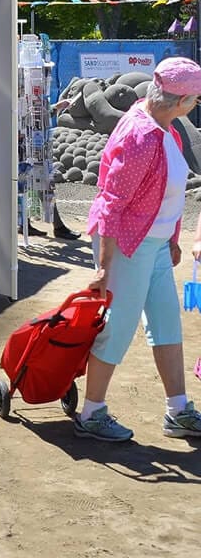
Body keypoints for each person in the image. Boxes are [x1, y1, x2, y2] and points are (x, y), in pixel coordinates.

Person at [78, 56, 201, 442]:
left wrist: (172, 239)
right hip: (128, 245)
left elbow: (168, 190)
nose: (196, 104)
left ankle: (178, 410)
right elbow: (112, 203)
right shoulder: (142, 135)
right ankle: (91, 413)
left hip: (155, 244)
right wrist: (103, 266)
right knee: (117, 328)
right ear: (181, 101)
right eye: (195, 98)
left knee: (166, 323)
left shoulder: (164, 126)